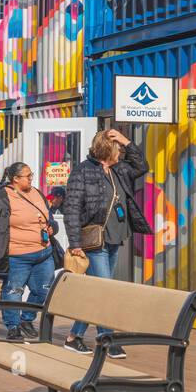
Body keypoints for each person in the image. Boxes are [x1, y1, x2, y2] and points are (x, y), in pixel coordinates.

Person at [62, 128, 152, 357]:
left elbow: (142, 166)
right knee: (105, 290)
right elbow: (71, 209)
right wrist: (74, 243)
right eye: (118, 148)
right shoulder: (83, 171)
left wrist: (126, 140)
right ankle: (107, 340)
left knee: (99, 291)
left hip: (115, 237)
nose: (121, 152)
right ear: (107, 149)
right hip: (94, 241)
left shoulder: (119, 169)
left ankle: (74, 337)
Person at [0, 162, 56, 342]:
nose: (31, 178)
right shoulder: (0, 196)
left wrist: (52, 227)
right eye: (28, 176)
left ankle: (27, 320)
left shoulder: (37, 193)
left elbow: (48, 218)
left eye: (31, 175)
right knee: (13, 291)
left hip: (43, 253)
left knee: (43, 290)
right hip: (17, 255)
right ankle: (13, 326)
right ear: (15, 179)